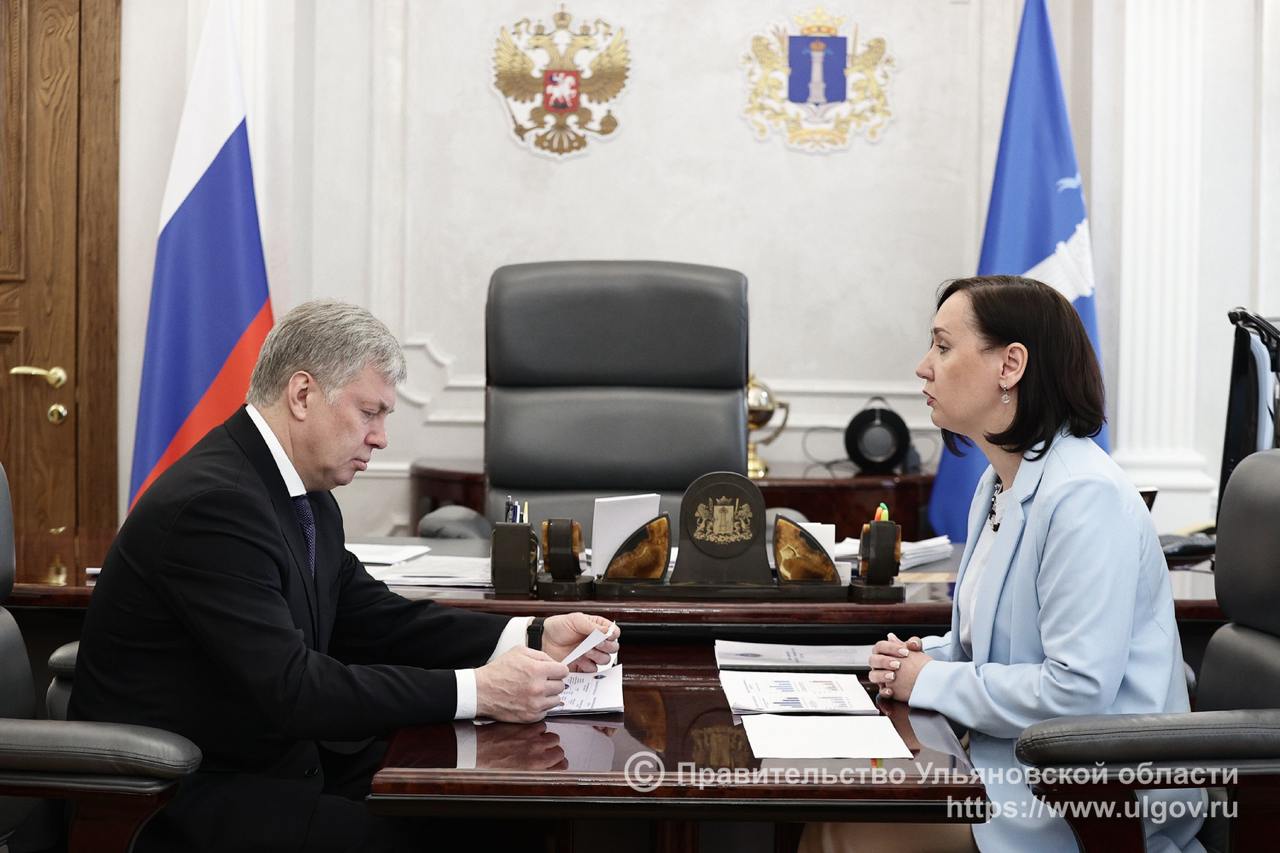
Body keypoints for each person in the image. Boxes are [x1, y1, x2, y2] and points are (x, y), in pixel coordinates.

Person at [72, 300, 619, 852]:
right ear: (303, 394)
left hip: (284, 766)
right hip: (195, 797)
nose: (381, 438)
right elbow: (295, 689)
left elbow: (376, 619)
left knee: (503, 816)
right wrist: (479, 691)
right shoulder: (216, 505)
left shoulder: (305, 495)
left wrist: (530, 633)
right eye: (370, 412)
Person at [805, 276, 1204, 853]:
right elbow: (993, 651)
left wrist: (933, 679)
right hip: (1009, 764)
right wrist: (919, 658)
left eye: (943, 346)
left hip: (1086, 795)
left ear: (1010, 365)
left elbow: (1077, 691)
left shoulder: (1083, 495)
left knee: (844, 829)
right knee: (828, 807)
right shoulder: (1000, 482)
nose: (923, 366)